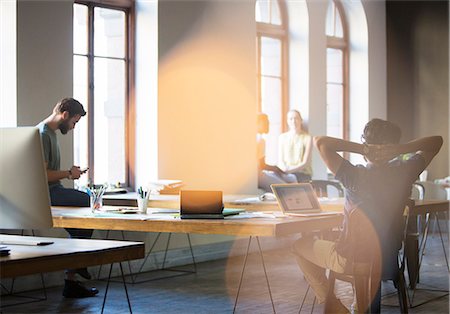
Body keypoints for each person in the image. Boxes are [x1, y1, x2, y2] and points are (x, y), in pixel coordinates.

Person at [292, 118, 442, 313]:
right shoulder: (404, 172)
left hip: (352, 261)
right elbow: (437, 142)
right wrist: (399, 149)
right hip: (387, 261)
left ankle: (334, 306)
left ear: (366, 144)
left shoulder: (353, 175)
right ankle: (358, 304)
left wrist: (364, 149)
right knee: (367, 249)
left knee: (298, 245)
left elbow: (321, 142)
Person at [37, 97, 99, 298]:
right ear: (64, 115)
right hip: (48, 193)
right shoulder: (44, 134)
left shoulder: (50, 133)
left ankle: (72, 278)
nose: (73, 127)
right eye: (74, 122)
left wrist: (69, 174)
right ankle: (77, 263)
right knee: (87, 203)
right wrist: (68, 173)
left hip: (55, 189)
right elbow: (43, 175)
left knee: (79, 227)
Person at [257, 113, 295, 192]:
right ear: (258, 123)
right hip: (257, 175)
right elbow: (262, 165)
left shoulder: (257, 137)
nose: (268, 125)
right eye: (266, 123)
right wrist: (276, 169)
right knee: (286, 188)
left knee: (292, 177)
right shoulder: (260, 140)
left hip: (259, 173)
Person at [278, 110, 313, 182]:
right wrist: (284, 170)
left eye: (296, 118)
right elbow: (280, 160)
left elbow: (306, 163)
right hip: (286, 172)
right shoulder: (282, 137)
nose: (293, 121)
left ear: (301, 120)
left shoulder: (308, 138)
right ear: (287, 121)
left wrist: (289, 170)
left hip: (302, 174)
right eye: (291, 119)